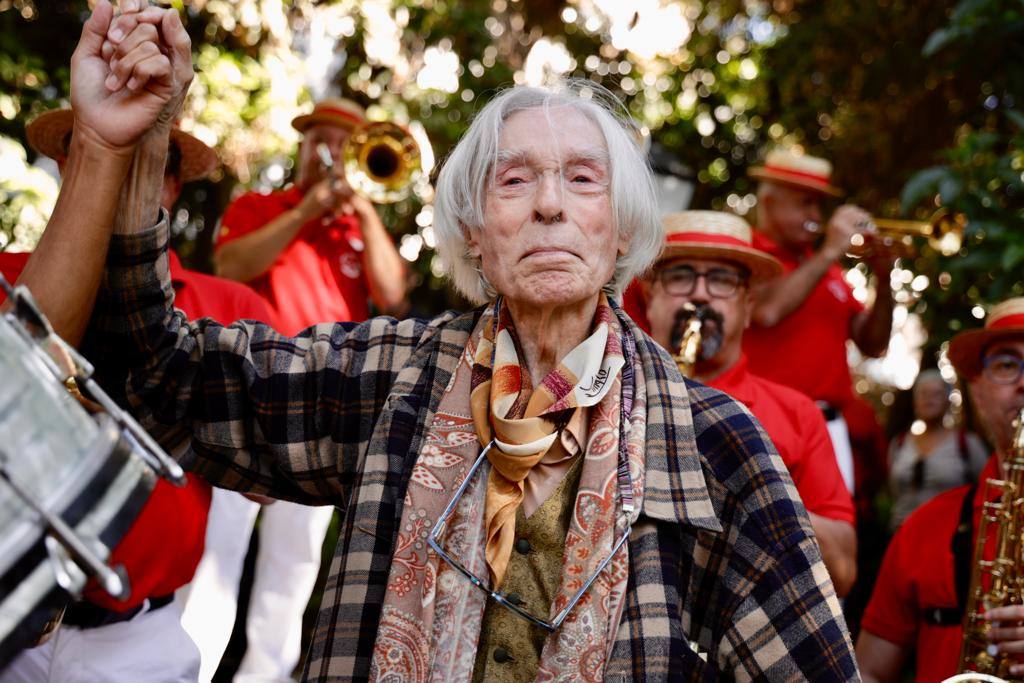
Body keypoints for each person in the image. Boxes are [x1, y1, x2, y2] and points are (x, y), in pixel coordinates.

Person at [18, 4, 858, 679]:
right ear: (474, 232)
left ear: (621, 230)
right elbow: (164, 377)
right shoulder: (395, 377)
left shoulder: (713, 441)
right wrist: (128, 143)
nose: (550, 206)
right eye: (515, 179)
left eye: (582, 179)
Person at [2, 106, 277, 683]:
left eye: (142, 159)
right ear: (65, 165)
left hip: (137, 637)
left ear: (171, 185)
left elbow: (272, 479)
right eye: (100, 151)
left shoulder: (233, 308)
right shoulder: (8, 275)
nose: (118, 169)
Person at [212, 95, 410, 683]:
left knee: (293, 563)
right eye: (315, 138)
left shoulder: (359, 227)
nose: (323, 152)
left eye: (338, 142)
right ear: (301, 145)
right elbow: (229, 266)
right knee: (218, 547)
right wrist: (304, 213)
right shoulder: (262, 206)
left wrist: (365, 209)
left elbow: (395, 296)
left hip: (323, 411)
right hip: (243, 395)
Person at [624, 210, 858, 596]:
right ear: (650, 298)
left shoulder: (798, 414)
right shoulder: (609, 396)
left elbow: (843, 571)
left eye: (721, 280)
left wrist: (754, 490)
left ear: (748, 306)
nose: (699, 294)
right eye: (680, 276)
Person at [856, 298, 1024, 682]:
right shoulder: (923, 527)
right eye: (1006, 365)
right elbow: (867, 672)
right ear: (977, 391)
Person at [742, 149, 896, 495]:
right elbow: (765, 312)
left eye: (818, 206)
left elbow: (872, 344)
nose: (815, 215)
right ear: (768, 202)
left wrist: (885, 281)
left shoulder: (830, 272)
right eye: (804, 204)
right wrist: (829, 251)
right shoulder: (749, 253)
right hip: (763, 422)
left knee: (832, 538)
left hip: (827, 428)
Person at [887, 369, 987, 530]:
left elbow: (984, 492)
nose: (929, 400)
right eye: (924, 394)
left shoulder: (967, 444)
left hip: (950, 539)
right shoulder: (899, 443)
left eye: (936, 394)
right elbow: (893, 492)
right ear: (914, 401)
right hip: (901, 535)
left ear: (948, 401)